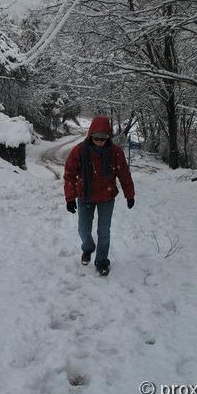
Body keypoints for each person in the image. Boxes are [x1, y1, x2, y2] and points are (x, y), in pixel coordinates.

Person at [63, 116, 135, 276]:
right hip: (85, 196)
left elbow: (124, 174)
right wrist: (70, 198)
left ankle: (102, 261)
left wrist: (129, 194)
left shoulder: (116, 153)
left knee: (104, 232)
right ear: (90, 136)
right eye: (96, 139)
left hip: (106, 198)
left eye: (103, 139)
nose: (100, 142)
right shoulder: (79, 151)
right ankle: (88, 248)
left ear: (108, 137)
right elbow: (69, 174)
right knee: (83, 229)